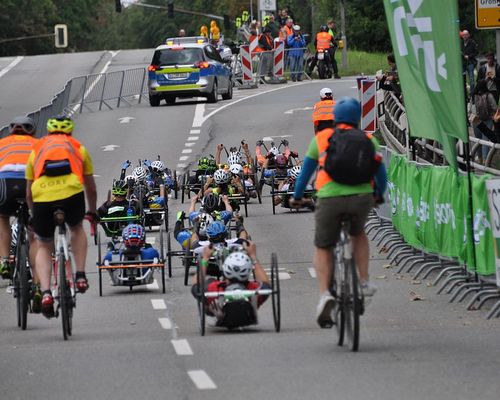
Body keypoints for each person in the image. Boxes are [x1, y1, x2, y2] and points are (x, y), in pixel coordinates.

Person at [291, 97, 387, 329]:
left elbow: (304, 174)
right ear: (357, 119)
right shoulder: (368, 140)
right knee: (358, 233)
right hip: (361, 198)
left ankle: (325, 294)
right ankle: (363, 282)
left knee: (323, 245)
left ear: (335, 119)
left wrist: (296, 197)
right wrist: (377, 196)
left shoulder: (322, 139)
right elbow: (381, 175)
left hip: (330, 198)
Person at [25, 115, 97, 319]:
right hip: (71, 195)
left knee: (44, 245)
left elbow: (28, 193)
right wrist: (91, 212)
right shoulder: (78, 147)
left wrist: (33, 214)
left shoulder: (37, 149)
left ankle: (46, 292)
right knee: (76, 229)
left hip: (42, 199)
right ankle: (81, 276)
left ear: (48, 132)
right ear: (70, 132)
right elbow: (90, 187)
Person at [192, 241, 270, 328]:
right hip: (248, 317)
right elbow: (266, 284)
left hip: (220, 316)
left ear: (225, 271)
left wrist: (205, 258)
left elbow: (196, 285)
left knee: (210, 280)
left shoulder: (214, 288)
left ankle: (214, 311)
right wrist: (253, 256)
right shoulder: (254, 290)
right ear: (248, 271)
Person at [0, 117, 39, 280]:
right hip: (30, 184)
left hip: (6, 184)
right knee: (35, 232)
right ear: (33, 131)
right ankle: (38, 283)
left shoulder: (2, 143)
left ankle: (4, 261)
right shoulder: (38, 144)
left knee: (2, 218)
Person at [472, 79, 497, 163]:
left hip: (476, 120)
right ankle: (486, 160)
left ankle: (480, 158)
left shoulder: (475, 96)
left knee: (478, 140)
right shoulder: (489, 95)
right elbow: (495, 107)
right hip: (488, 119)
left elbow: (472, 109)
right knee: (485, 139)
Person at [461, 30, 478, 101]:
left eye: (466, 35)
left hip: (470, 63)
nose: (465, 36)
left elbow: (476, 52)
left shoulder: (472, 43)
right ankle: (465, 96)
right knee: (462, 80)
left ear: (468, 35)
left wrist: (469, 56)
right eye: (463, 35)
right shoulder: (460, 43)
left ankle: (472, 95)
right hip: (463, 64)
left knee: (471, 80)